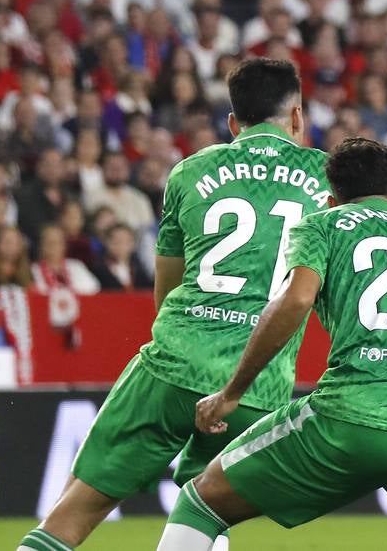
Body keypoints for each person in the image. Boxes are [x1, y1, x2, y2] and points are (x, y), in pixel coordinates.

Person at [156, 137, 387, 551]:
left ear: (331, 198)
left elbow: (297, 298)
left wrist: (232, 393)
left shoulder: (322, 224)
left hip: (353, 419)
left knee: (200, 502)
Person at [17, 59, 330, 551]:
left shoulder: (190, 171)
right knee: (205, 516)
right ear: (296, 118)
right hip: (259, 385)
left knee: (74, 511)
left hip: (175, 364)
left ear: (232, 123)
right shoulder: (329, 183)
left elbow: (166, 291)